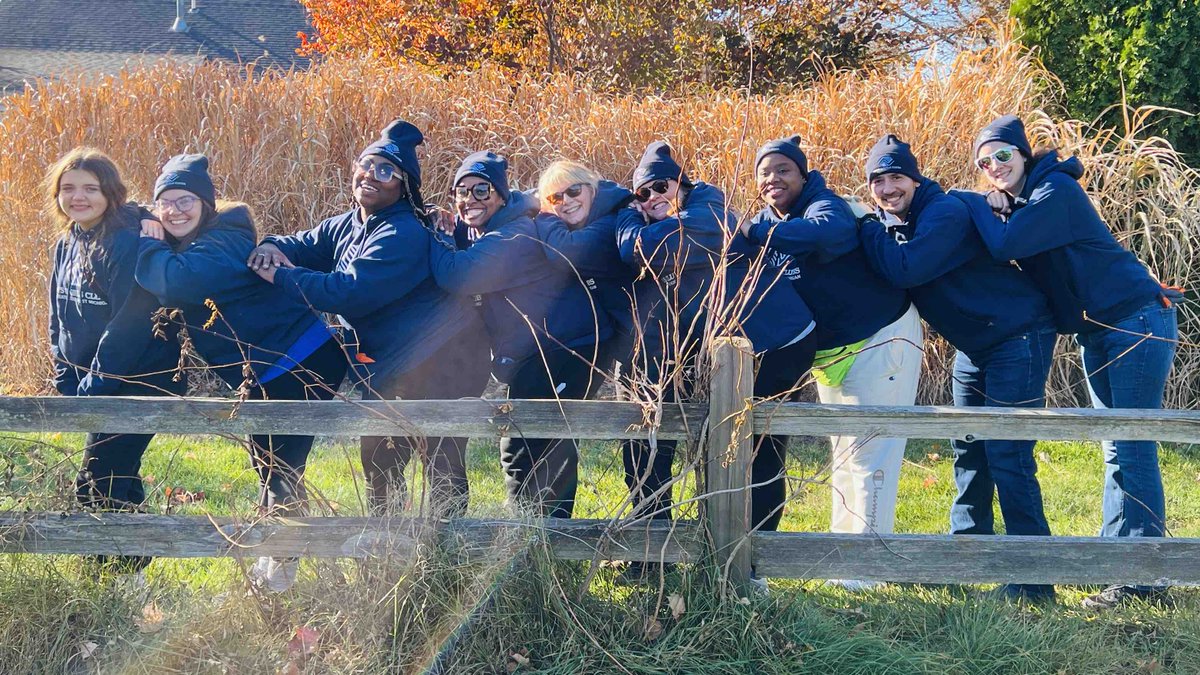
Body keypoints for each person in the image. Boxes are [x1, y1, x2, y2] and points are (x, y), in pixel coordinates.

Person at [959, 115, 1179, 609]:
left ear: (1023, 154)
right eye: (983, 162)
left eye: (1002, 156)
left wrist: (973, 202)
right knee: (1114, 446)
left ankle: (1146, 577)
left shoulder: (1055, 189)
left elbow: (1007, 245)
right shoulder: (1027, 202)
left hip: (1135, 322)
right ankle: (1115, 564)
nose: (992, 166)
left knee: (1133, 443)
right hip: (1099, 329)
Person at [247, 120, 489, 517]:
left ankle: (449, 553)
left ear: (404, 186)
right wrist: (272, 244)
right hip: (389, 364)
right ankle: (388, 546)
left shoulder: (404, 232)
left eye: (386, 171)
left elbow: (349, 292)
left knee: (440, 456)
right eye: (366, 164)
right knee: (379, 459)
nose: (370, 176)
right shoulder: (348, 223)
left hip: (446, 356)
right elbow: (305, 243)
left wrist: (281, 274)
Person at [858, 134, 1058, 603]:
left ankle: (1035, 579)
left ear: (915, 177)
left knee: (1008, 454)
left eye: (896, 178)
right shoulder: (903, 221)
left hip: (1017, 335)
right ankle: (968, 553)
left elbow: (907, 269)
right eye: (878, 181)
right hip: (974, 346)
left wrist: (867, 226)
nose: (887, 189)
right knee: (968, 444)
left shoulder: (942, 213)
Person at [135, 154, 348, 592]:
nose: (175, 210)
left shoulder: (225, 239)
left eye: (185, 200)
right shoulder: (193, 241)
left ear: (207, 205)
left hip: (300, 359)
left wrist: (147, 242)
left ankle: (282, 573)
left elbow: (177, 283)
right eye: (165, 202)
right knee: (267, 462)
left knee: (281, 467)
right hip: (264, 372)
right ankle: (275, 560)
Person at [617, 142, 817, 582]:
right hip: (726, 352)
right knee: (720, 448)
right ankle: (711, 554)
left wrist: (628, 220)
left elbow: (640, 248)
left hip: (777, 343)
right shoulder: (675, 221)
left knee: (760, 449)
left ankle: (755, 566)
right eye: (641, 194)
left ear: (682, 185)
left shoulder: (711, 212)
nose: (653, 197)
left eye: (661, 186)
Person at [740, 135, 922, 590]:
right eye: (764, 171)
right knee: (845, 453)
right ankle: (846, 559)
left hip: (879, 337)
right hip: (831, 351)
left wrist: (756, 232)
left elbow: (825, 236)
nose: (772, 178)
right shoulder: (767, 218)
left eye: (783, 169)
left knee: (871, 452)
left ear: (803, 173)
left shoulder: (826, 206)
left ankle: (866, 571)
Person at [428, 152, 610, 518]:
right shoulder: (499, 226)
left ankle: (542, 541)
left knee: (535, 441)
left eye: (482, 190)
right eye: (461, 192)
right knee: (529, 440)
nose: (470, 200)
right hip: (541, 350)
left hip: (566, 347)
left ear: (500, 195)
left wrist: (434, 237)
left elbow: (458, 275)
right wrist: (446, 223)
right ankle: (531, 535)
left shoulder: (516, 235)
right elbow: (473, 235)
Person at [45, 147, 183, 576]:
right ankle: (119, 575)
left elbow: (130, 323)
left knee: (100, 477)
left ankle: (124, 574)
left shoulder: (129, 244)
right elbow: (57, 311)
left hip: (138, 379)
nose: (78, 197)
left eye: (90, 188)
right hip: (93, 384)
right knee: (111, 474)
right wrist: (64, 373)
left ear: (110, 193)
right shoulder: (68, 241)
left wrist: (93, 387)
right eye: (68, 188)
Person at [533, 161, 637, 379]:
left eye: (574, 190)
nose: (567, 201)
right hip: (626, 343)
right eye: (555, 198)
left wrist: (544, 215)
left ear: (592, 188)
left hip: (655, 341)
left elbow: (565, 253)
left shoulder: (611, 223)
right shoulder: (591, 220)